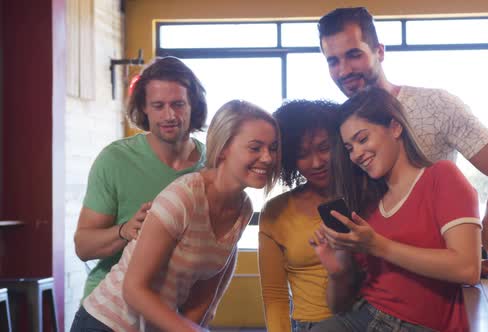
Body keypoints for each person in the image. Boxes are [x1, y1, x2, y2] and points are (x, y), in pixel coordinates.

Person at [318, 7, 488, 279]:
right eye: (333, 61)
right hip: (369, 289)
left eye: (354, 55)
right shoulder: (339, 129)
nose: (344, 70)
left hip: (432, 291)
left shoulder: (435, 105)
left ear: (379, 51)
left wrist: (476, 252)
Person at [70, 100, 280, 331]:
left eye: (273, 148)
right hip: (106, 323)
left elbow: (203, 298)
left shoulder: (243, 209)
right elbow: (134, 289)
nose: (268, 158)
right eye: (255, 147)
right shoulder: (184, 196)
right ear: (223, 148)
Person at [310, 86, 481, 331]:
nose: (356, 154)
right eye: (349, 148)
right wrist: (338, 272)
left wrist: (378, 246)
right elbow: (338, 307)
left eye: (362, 139)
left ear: (395, 127)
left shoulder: (441, 177)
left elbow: (467, 268)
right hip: (362, 314)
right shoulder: (368, 206)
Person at [74, 56, 208, 299]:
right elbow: (83, 246)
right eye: (158, 106)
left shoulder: (212, 165)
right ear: (144, 108)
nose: (169, 115)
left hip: (175, 308)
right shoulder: (115, 160)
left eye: (178, 104)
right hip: (107, 307)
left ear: (193, 106)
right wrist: (125, 230)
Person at [259, 100, 339, 332]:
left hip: (373, 320)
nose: (316, 162)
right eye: (302, 154)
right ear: (289, 160)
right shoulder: (276, 212)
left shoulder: (365, 194)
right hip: (313, 325)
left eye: (324, 148)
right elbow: (275, 296)